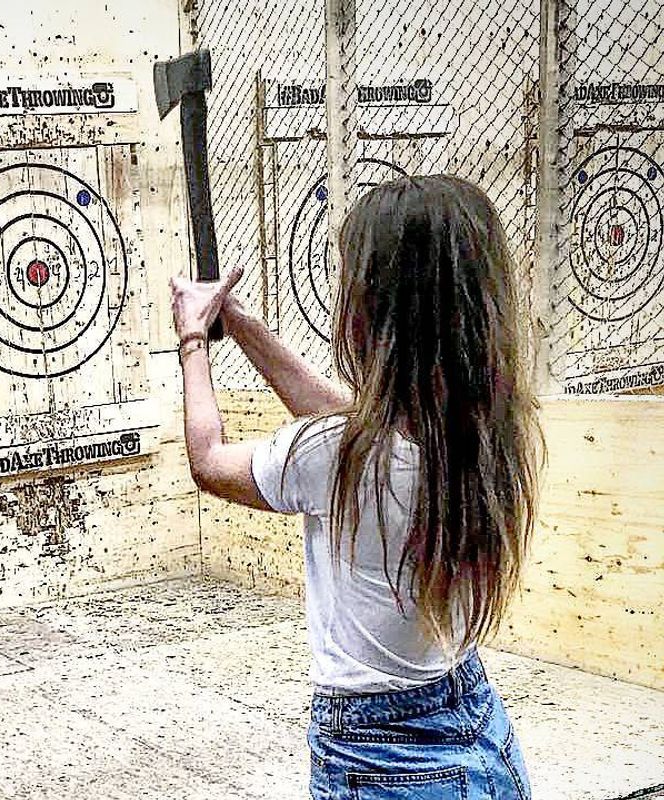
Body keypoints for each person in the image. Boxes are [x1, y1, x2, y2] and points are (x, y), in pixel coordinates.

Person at [170, 174, 541, 799]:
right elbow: (349, 424)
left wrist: (191, 341)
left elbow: (208, 460)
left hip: (376, 756)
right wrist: (239, 324)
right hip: (477, 725)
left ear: (373, 316)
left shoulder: (337, 457)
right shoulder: (485, 433)